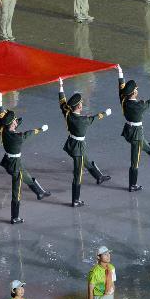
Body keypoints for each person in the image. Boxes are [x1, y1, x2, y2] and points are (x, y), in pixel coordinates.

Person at [117, 65, 150, 192]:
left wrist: (120, 73)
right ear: (134, 92)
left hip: (129, 130)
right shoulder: (139, 105)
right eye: (136, 89)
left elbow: (121, 86)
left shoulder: (123, 100)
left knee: (144, 144)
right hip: (136, 133)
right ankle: (132, 185)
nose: (137, 90)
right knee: (135, 161)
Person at [59, 77, 111, 206]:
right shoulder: (82, 120)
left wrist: (61, 86)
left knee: (85, 160)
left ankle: (98, 176)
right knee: (78, 175)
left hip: (71, 143)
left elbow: (62, 102)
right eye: (81, 103)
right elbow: (95, 117)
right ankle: (75, 200)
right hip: (78, 147)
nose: (82, 104)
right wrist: (106, 113)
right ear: (79, 106)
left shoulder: (67, 113)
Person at [0, 110, 51, 224]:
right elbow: (28, 134)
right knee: (16, 191)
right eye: (15, 122)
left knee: (26, 176)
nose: (17, 123)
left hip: (9, 160)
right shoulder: (17, 137)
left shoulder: (3, 130)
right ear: (12, 124)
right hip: (15, 164)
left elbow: (6, 122)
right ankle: (14, 217)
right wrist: (41, 129)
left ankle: (39, 192)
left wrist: (13, 120)